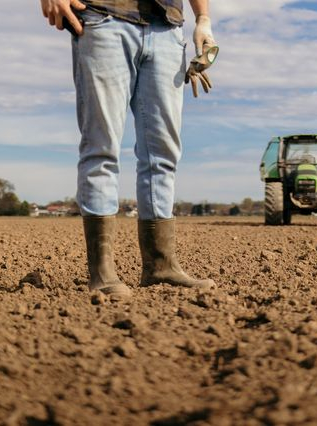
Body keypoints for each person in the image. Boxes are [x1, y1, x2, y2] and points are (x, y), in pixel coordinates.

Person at [40, 0, 218, 299]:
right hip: (105, 19)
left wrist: (203, 18)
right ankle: (102, 272)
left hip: (167, 28)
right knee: (102, 147)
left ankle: (160, 266)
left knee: (163, 153)